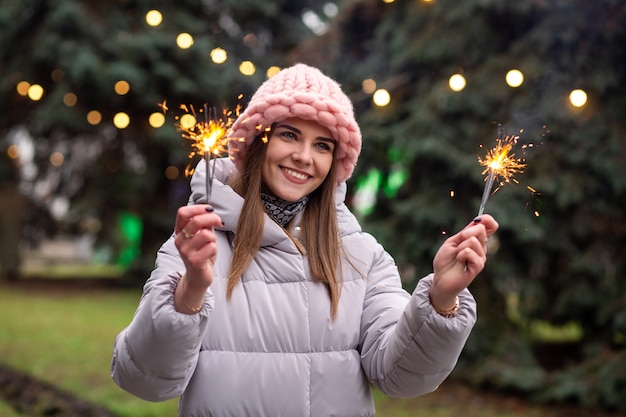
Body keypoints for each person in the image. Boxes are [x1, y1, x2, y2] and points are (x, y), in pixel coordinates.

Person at [111, 63, 499, 416]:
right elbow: (143, 379)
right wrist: (190, 293)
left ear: (335, 163)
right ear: (257, 142)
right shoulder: (198, 247)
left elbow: (402, 377)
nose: (303, 156)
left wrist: (441, 300)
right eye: (289, 135)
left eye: (322, 145)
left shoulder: (361, 255)